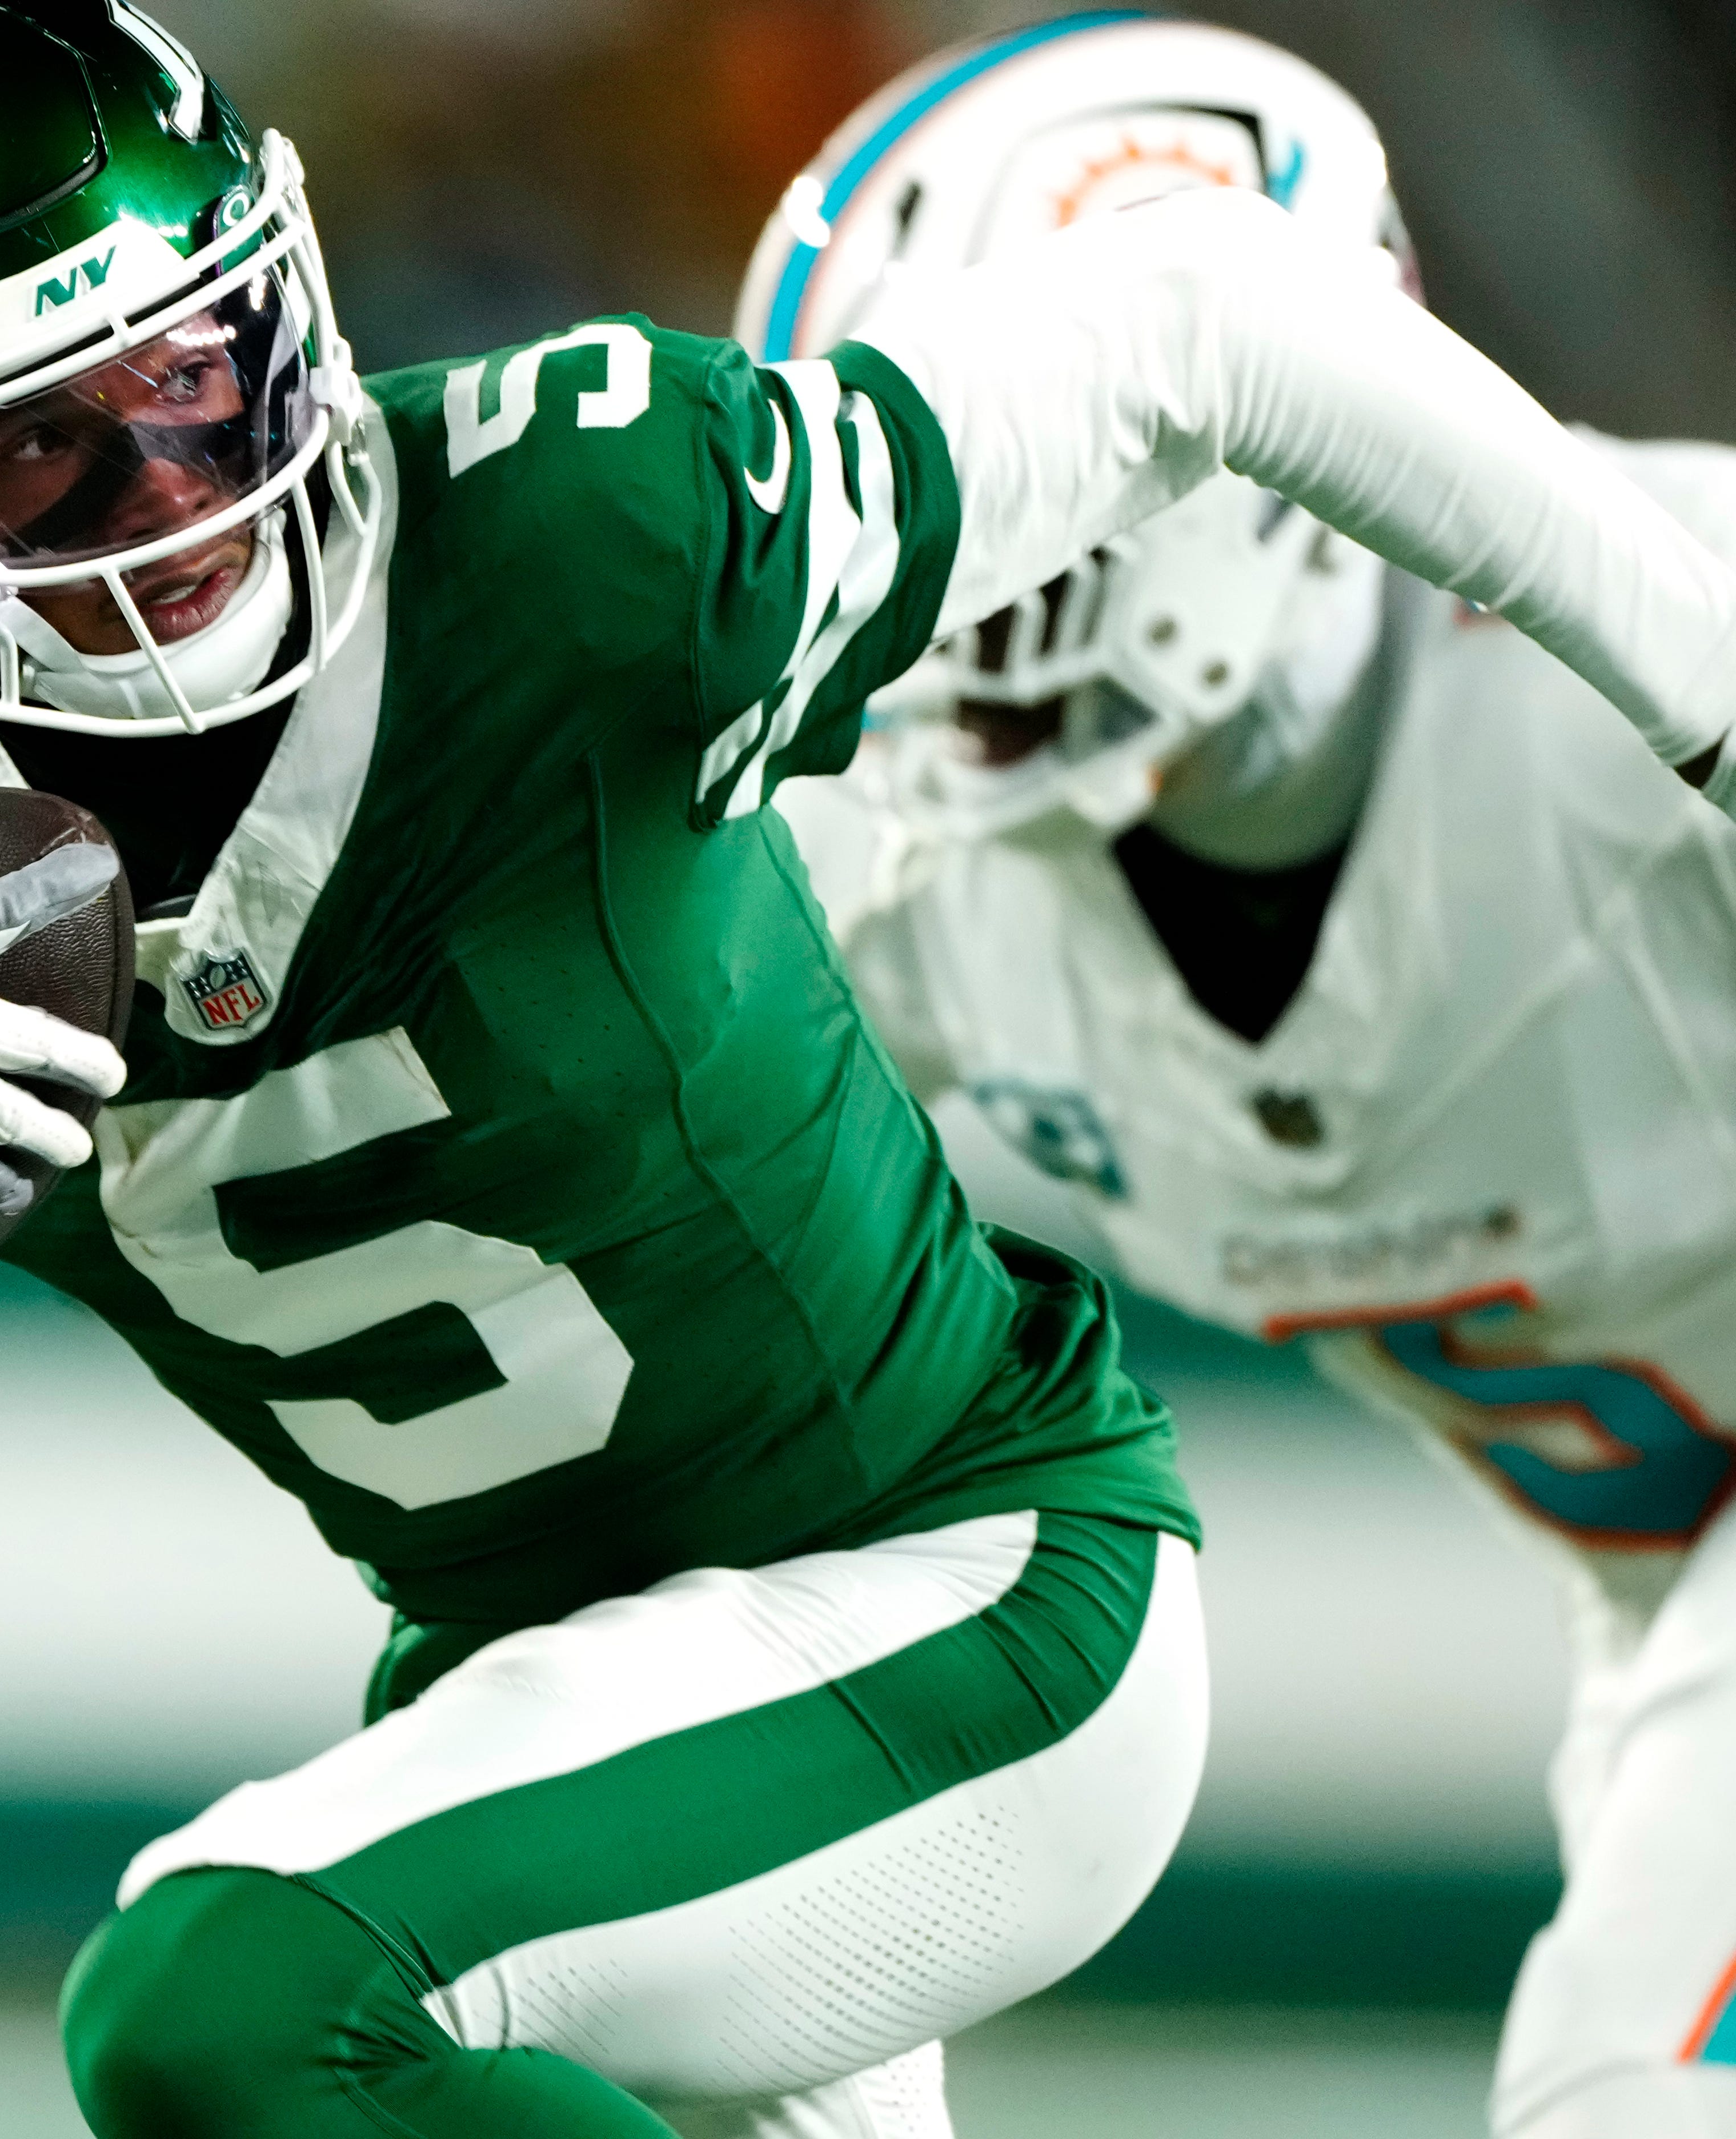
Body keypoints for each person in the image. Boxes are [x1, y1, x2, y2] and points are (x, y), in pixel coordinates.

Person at [0, 4, 1736, 2132]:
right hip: (593, 1687)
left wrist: (1707, 697)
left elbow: (1218, 321)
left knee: (230, 2000)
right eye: (37, 454)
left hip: (962, 1596)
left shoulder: (592, 534)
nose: (177, 499)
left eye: (204, 369)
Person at [746, 18, 1736, 2139]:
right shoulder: (913, 880)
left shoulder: (1657, 657)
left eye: (1045, 515)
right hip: (1662, 1619)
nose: (966, 611)